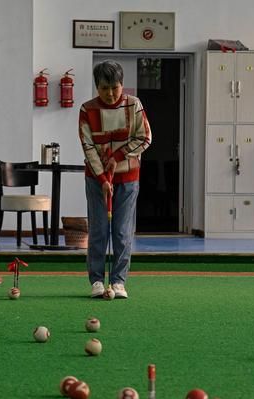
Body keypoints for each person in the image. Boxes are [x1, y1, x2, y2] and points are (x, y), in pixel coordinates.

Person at [79, 60, 151, 299]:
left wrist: (118, 156)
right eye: (103, 88)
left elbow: (144, 138)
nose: (110, 94)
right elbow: (88, 148)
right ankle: (97, 281)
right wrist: (102, 178)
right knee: (99, 230)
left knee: (121, 231)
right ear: (96, 87)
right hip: (97, 179)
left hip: (128, 178)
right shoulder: (87, 110)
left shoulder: (134, 105)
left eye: (114, 87)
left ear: (122, 85)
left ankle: (118, 282)